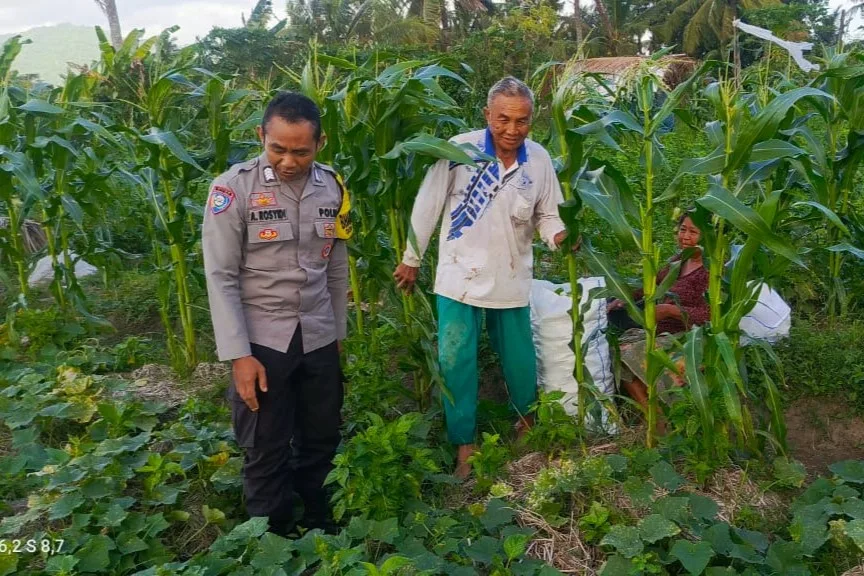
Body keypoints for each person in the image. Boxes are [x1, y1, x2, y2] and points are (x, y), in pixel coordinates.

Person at [393, 76, 572, 479]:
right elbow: (427, 204)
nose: (512, 130)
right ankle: (465, 445)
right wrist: (412, 257)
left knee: (520, 360)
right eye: (503, 119)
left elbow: (548, 214)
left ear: (532, 120)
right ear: (487, 115)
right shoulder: (459, 150)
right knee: (456, 360)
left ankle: (527, 424)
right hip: (459, 276)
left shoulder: (538, 160)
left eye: (522, 121)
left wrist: (559, 235)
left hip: (510, 274)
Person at [202, 92, 351, 536]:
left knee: (322, 436)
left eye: (301, 151)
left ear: (320, 143)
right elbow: (221, 276)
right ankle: (273, 535)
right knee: (265, 444)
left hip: (319, 334)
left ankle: (322, 521)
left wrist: (337, 335)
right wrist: (238, 356)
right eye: (278, 148)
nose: (289, 160)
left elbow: (337, 268)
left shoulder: (333, 186)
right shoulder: (232, 190)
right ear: (260, 136)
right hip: (262, 339)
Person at [607, 212, 708, 413]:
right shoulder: (679, 260)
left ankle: (666, 413)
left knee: (630, 353)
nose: (685, 237)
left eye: (693, 232)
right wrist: (626, 297)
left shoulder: (711, 271)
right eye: (682, 230)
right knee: (615, 351)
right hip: (660, 330)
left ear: (709, 237)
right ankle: (654, 415)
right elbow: (653, 284)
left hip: (688, 337)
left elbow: (711, 315)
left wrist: (671, 311)